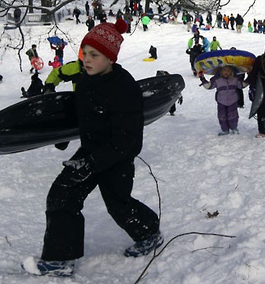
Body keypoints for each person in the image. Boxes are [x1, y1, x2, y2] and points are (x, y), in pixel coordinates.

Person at [22, 20, 162, 277]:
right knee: (61, 195)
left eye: (94, 55)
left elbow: (126, 138)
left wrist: (94, 163)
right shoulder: (86, 80)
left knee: (118, 204)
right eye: (84, 53)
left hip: (116, 157)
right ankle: (59, 259)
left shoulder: (124, 88)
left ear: (110, 58)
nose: (86, 59)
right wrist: (61, 135)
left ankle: (150, 232)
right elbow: (81, 116)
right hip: (90, 150)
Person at [199, 65, 247, 135]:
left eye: (228, 70)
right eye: (224, 70)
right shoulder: (217, 79)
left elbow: (242, 85)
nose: (226, 72)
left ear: (231, 71)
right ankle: (225, 130)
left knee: (233, 116)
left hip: (232, 101)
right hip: (221, 101)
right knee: (222, 116)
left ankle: (234, 128)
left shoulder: (235, 79)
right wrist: (202, 77)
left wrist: (250, 76)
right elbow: (208, 86)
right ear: (221, 71)